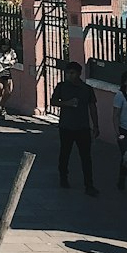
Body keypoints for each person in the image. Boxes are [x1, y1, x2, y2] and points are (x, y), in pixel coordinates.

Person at [51, 61, 100, 195]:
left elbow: (92, 108)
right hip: (66, 126)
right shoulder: (62, 87)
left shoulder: (87, 89)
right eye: (68, 73)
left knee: (86, 156)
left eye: (72, 73)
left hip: (83, 127)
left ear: (79, 74)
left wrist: (95, 125)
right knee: (65, 153)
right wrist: (67, 103)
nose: (69, 75)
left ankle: (89, 185)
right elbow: (53, 101)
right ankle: (63, 177)